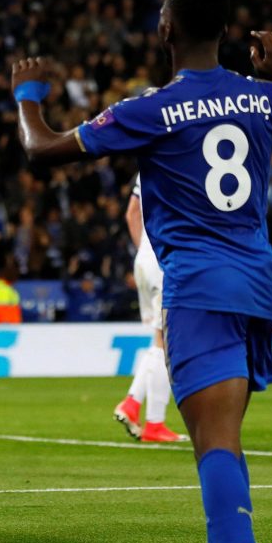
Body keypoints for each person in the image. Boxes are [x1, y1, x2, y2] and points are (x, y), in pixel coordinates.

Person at [12, 0, 272, 543]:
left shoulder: (151, 107)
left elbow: (43, 149)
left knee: (217, 442)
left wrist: (26, 95)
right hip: (257, 284)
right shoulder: (263, 97)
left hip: (199, 285)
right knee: (213, 439)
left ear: (167, 27)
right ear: (228, 30)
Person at [113, 175, 185, 443]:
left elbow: (132, 213)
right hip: (166, 259)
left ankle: (135, 405)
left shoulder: (147, 168)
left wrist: (143, 251)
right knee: (165, 340)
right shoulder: (183, 160)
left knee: (161, 337)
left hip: (145, 258)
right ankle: (153, 422)